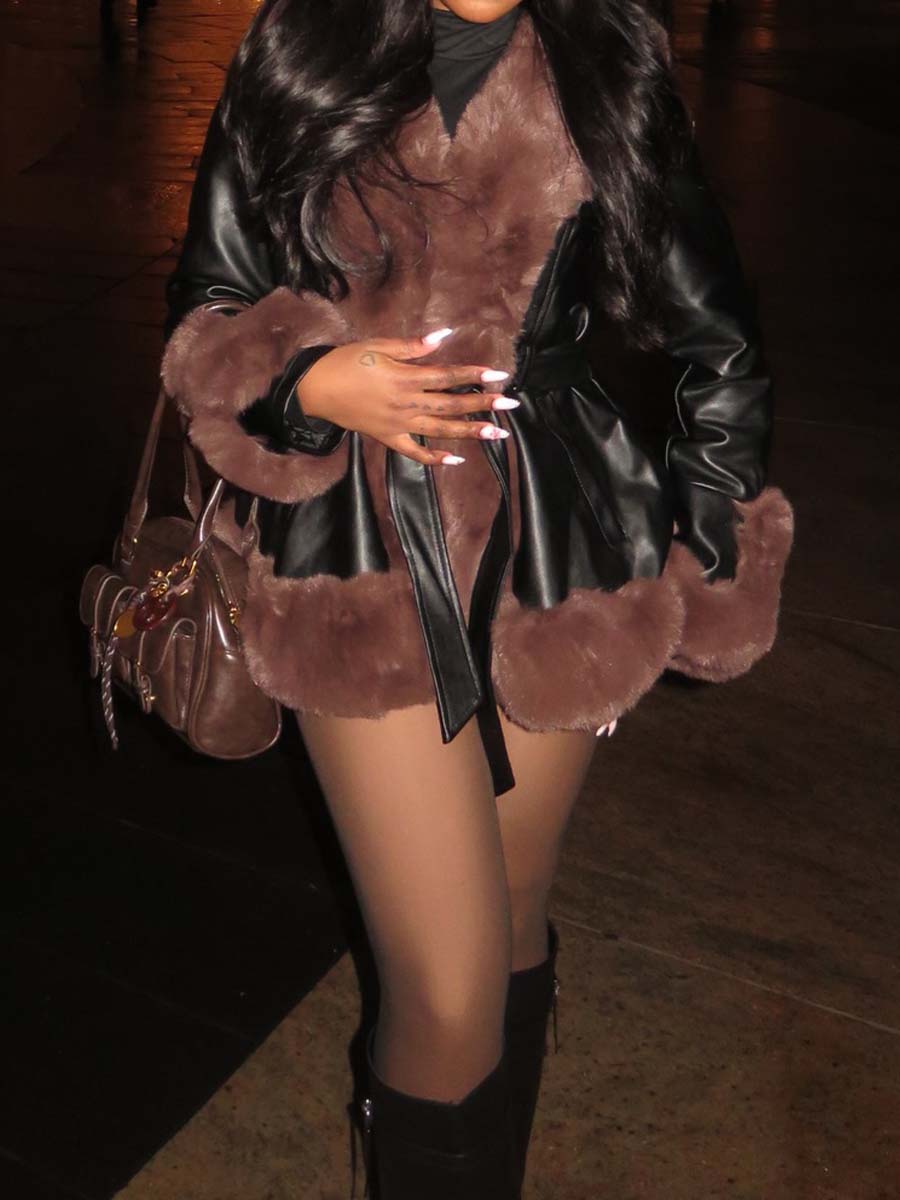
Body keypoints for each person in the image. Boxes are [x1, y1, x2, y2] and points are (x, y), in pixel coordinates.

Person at [161, 0, 794, 1194]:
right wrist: (310, 381)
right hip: (356, 549)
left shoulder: (606, 56)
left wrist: (713, 566)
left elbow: (720, 346)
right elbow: (208, 310)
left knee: (509, 916)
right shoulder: (308, 39)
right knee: (447, 992)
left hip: (556, 547)